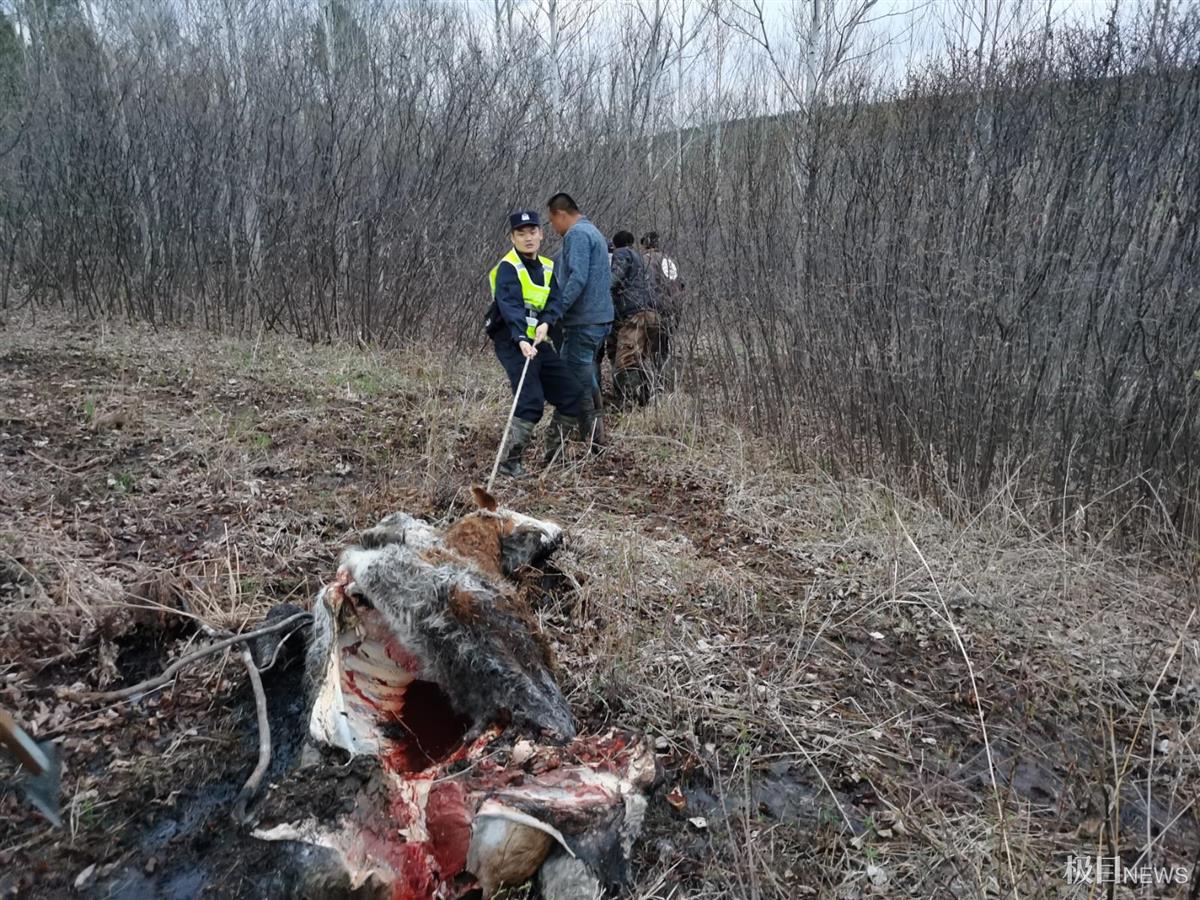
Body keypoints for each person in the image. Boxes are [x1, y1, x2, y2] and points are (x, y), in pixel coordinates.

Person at [485, 210, 581, 477]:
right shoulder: (507, 267)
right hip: (512, 341)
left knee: (572, 393)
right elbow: (510, 307)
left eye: (532, 232)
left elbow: (555, 302)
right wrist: (521, 340)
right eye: (521, 233)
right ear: (512, 237)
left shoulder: (548, 267)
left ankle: (554, 457)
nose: (528, 238)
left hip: (538, 341)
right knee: (530, 400)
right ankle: (509, 463)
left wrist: (547, 322)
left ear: (540, 233)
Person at [545, 192, 613, 450]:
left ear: (560, 214)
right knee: (585, 376)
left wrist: (556, 310)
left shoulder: (577, 235)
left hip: (584, 322)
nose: (553, 228)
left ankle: (555, 449)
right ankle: (595, 439)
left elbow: (577, 279)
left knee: (570, 381)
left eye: (552, 222)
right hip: (598, 320)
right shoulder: (592, 231)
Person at [608, 230, 661, 407]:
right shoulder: (640, 257)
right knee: (640, 359)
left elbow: (613, 279)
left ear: (615, 245)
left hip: (634, 314)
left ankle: (630, 405)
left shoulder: (622, 254)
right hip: (651, 313)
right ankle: (648, 400)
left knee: (625, 360)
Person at [640, 231, 685, 387]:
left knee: (647, 351)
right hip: (672, 310)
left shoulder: (645, 260)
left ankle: (653, 387)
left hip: (653, 310)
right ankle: (664, 385)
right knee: (662, 350)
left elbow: (646, 287)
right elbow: (679, 286)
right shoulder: (669, 260)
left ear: (645, 244)